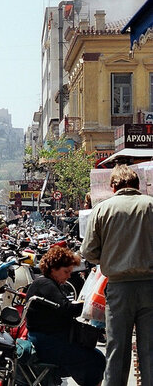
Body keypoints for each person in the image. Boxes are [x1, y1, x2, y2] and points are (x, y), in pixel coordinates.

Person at [81, 164, 153, 386]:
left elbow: (88, 251)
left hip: (119, 288)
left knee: (117, 350)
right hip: (150, 287)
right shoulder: (151, 205)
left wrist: (110, 257)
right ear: (137, 185)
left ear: (113, 187)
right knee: (149, 350)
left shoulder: (103, 209)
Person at [25, 245, 105, 386]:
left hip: (52, 339)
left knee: (96, 359)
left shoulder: (49, 284)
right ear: (53, 269)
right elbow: (66, 309)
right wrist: (88, 303)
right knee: (96, 360)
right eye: (66, 272)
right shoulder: (45, 284)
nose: (69, 276)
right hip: (47, 343)